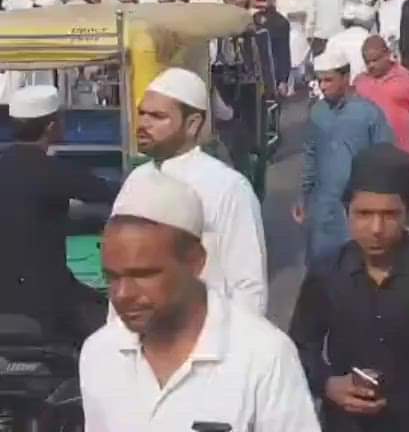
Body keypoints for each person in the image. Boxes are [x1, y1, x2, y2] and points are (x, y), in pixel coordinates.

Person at [81, 172, 320, 432]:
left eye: (144, 274)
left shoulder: (264, 356)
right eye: (112, 277)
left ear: (196, 261)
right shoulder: (99, 354)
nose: (123, 293)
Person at [290, 144, 409, 432]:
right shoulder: (327, 273)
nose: (376, 228)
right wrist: (328, 384)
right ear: (347, 211)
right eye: (364, 213)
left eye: (389, 214)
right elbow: (298, 347)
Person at [124, 68, 268, 315]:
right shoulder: (135, 182)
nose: (144, 124)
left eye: (157, 116)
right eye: (142, 114)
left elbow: (248, 285)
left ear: (192, 125)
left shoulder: (227, 187)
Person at [0, 86, 115, 340]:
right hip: (47, 299)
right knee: (114, 327)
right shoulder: (57, 172)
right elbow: (114, 196)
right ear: (52, 127)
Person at [296, 49, 396, 265]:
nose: (323, 86)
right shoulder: (318, 112)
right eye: (320, 80)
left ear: (346, 77)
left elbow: (386, 162)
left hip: (359, 209)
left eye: (329, 80)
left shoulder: (369, 113)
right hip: (324, 209)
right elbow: (310, 158)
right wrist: (303, 198)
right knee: (321, 271)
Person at [353, 35, 409, 162]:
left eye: (375, 60)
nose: (371, 65)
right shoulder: (360, 82)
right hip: (369, 156)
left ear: (387, 55)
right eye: (367, 62)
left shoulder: (407, 79)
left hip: (402, 154)